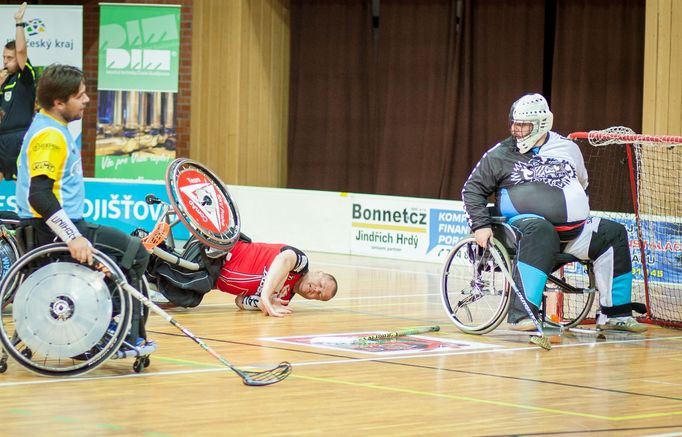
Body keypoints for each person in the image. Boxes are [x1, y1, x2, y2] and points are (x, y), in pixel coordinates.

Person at [461, 93, 647, 333]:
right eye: (514, 123)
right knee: (542, 230)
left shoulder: (568, 148)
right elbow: (471, 189)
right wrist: (480, 225)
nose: (516, 130)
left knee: (613, 233)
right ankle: (522, 315)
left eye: (523, 125)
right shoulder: (499, 154)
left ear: (541, 124)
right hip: (521, 230)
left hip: (571, 234)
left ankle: (616, 314)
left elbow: (582, 183)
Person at [15, 64, 152, 347]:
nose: (87, 100)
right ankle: (108, 327)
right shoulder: (50, 136)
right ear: (58, 102)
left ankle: (104, 323)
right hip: (53, 229)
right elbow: (39, 195)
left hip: (59, 225)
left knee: (125, 253)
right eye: (80, 96)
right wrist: (72, 236)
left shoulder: (52, 127)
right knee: (135, 252)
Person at [148, 236, 338, 317]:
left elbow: (240, 301)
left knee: (185, 299)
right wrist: (266, 296)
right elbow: (284, 259)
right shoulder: (300, 263)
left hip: (211, 278)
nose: (316, 290)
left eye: (320, 295)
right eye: (321, 284)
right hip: (221, 253)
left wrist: (260, 304)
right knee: (183, 275)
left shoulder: (283, 300)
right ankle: (145, 250)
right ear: (319, 273)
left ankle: (144, 273)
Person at [0, 2, 36, 181]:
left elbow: (21, 51)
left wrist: (19, 22)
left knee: (23, 183)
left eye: (10, 58)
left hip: (19, 137)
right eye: (3, 57)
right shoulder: (3, 79)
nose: (6, 62)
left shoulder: (25, 77)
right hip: (1, 138)